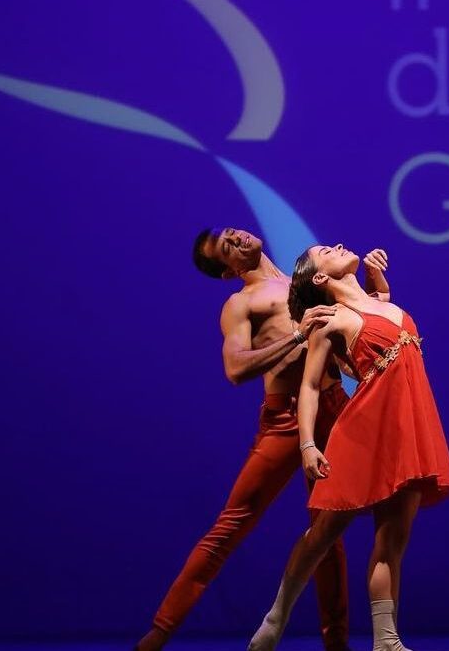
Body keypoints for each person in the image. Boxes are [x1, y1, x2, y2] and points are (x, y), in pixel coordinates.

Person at [135, 228, 391, 651]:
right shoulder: (241, 303)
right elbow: (235, 369)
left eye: (230, 232)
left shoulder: (308, 277)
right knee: (231, 526)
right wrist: (296, 335)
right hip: (286, 418)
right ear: (228, 271)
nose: (234, 237)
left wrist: (375, 286)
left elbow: (357, 327)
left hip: (331, 408)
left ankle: (338, 644)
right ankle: (157, 635)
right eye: (226, 247)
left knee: (327, 531)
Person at [247, 243, 449, 651]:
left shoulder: (383, 303)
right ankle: (278, 614)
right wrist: (308, 444)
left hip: (408, 432)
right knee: (324, 532)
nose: (340, 246)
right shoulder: (332, 320)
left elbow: (382, 311)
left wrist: (378, 281)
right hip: (362, 433)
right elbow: (308, 387)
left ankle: (386, 640)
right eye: (327, 250)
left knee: (392, 539)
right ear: (320, 278)